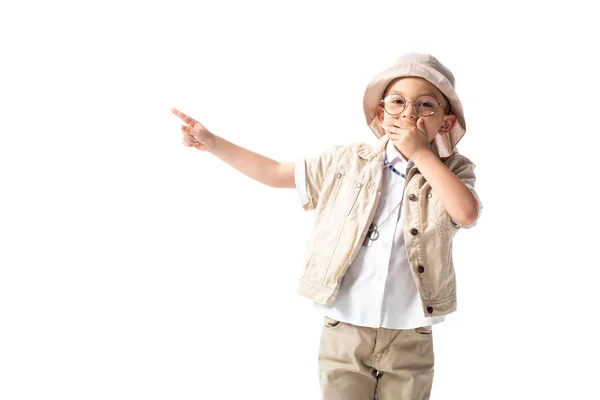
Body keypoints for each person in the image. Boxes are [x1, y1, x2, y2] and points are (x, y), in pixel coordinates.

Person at [171, 52, 482, 400]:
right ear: (381, 114)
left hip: (410, 331)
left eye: (425, 105)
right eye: (397, 102)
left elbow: (466, 213)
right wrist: (214, 144)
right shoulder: (347, 162)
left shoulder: (453, 171)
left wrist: (422, 155)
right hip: (345, 326)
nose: (409, 113)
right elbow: (274, 173)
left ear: (445, 121)